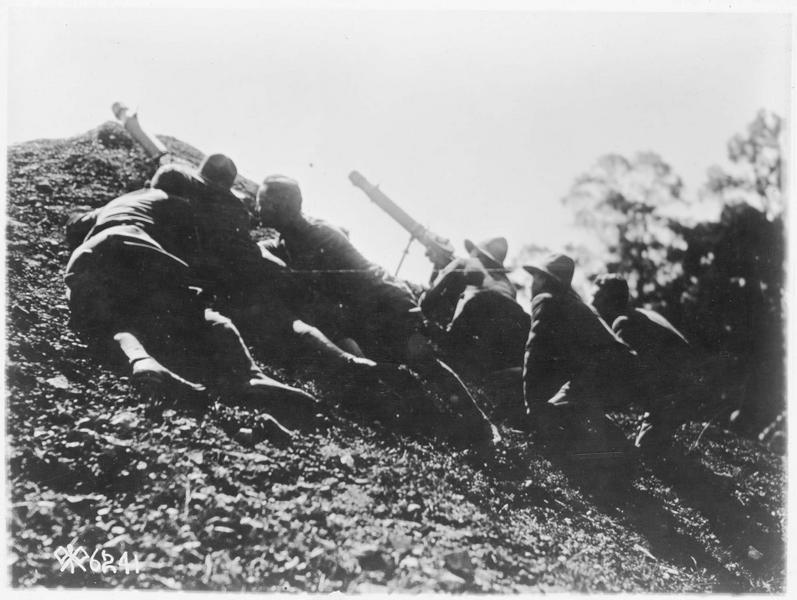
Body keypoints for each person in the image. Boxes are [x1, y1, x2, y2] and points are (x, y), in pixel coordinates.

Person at [254, 174, 501, 448]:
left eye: (263, 203)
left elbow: (342, 281)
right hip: (365, 311)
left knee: (422, 362)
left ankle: (482, 426)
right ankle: (432, 424)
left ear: (281, 206)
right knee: (395, 371)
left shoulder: (317, 235)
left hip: (385, 304)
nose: (258, 208)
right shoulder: (294, 236)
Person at [63, 183, 319, 429]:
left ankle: (142, 361)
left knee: (112, 317)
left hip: (88, 255)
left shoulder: (121, 202)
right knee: (200, 313)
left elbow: (75, 224)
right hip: (140, 247)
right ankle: (250, 375)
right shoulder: (173, 202)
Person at [522, 254, 641, 459]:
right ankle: (621, 451)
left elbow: (534, 355)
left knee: (553, 415)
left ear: (543, 279)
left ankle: (617, 455)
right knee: (572, 407)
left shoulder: (546, 300)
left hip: (604, 373)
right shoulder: (571, 302)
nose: (532, 283)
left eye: (535, 276)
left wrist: (531, 408)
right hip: (622, 373)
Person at [591, 273, 704, 451]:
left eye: (597, 299)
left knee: (644, 452)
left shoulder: (624, 323)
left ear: (611, 301)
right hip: (686, 389)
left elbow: (623, 372)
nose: (592, 306)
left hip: (676, 394)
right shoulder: (641, 315)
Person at [420, 237, 530, 376]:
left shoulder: (464, 263)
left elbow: (428, 301)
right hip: (508, 345)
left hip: (471, 326)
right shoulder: (510, 287)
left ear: (476, 252)